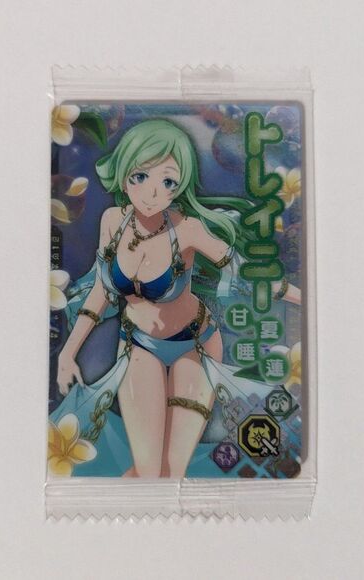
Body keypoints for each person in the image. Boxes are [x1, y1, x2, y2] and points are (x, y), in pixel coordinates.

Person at [51, 119, 297, 478]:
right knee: (149, 471)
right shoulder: (112, 221)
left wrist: (307, 299)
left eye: (167, 182)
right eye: (140, 176)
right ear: (123, 172)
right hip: (138, 344)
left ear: (179, 187)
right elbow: (102, 291)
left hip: (195, 345)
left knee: (173, 471)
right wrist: (68, 353)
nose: (152, 193)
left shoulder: (188, 229)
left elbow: (247, 272)